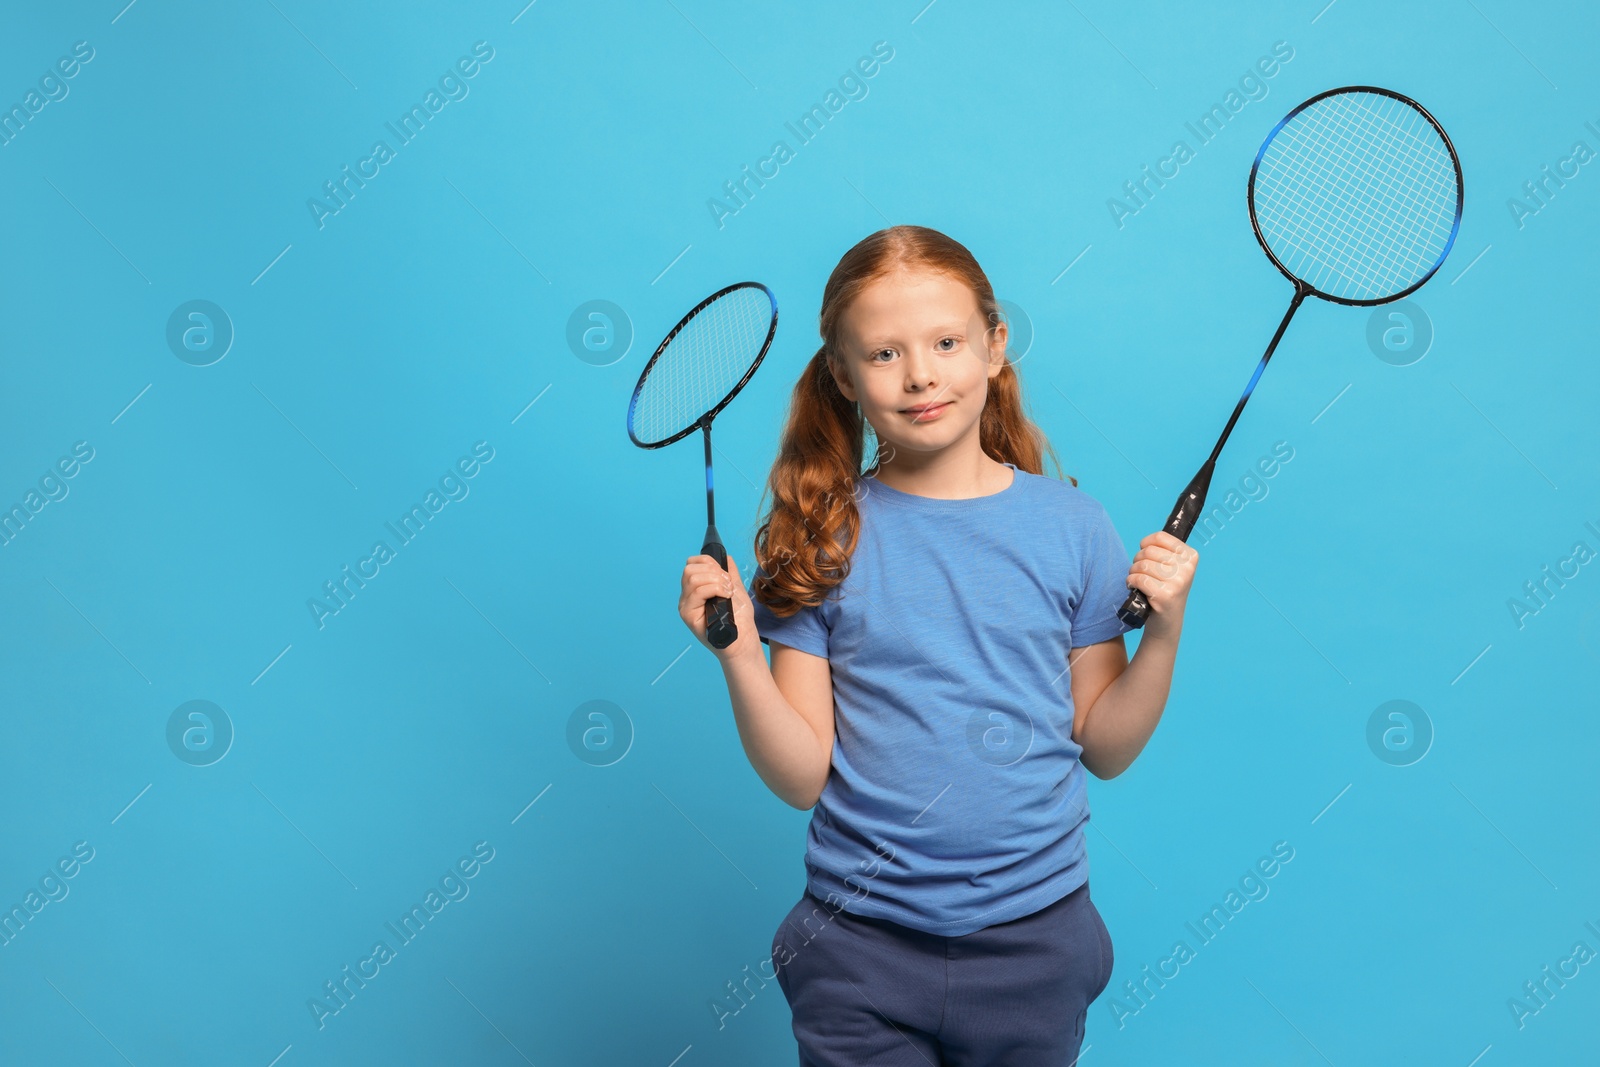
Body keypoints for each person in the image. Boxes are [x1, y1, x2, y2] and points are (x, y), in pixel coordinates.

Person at [677, 225, 1198, 1065]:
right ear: (842, 376)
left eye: (947, 342)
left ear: (995, 346)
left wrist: (1164, 630)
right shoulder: (824, 536)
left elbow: (1103, 744)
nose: (920, 373)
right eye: (883, 354)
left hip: (1037, 945)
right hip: (857, 949)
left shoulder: (1072, 528)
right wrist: (737, 655)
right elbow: (802, 774)